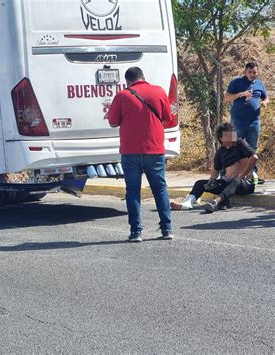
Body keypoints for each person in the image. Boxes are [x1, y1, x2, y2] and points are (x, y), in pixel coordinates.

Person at [107, 67, 174, 242]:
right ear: (144, 77)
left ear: (128, 81)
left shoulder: (122, 95)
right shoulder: (158, 91)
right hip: (155, 149)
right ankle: (167, 229)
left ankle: (136, 232)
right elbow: (168, 117)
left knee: (133, 191)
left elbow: (113, 122)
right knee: (159, 189)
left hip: (130, 151)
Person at [171, 122, 258, 213]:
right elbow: (216, 169)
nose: (231, 137)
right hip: (226, 183)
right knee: (200, 183)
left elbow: (254, 157)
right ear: (221, 138)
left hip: (244, 184)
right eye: (227, 136)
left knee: (236, 181)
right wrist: (211, 181)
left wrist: (243, 175)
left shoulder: (240, 143)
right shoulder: (220, 152)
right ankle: (187, 203)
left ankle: (216, 202)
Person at [224, 62, 269, 183]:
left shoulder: (259, 84)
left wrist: (265, 102)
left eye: (254, 72)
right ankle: (231, 174)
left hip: (254, 121)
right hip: (238, 121)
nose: (252, 74)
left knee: (252, 147)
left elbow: (266, 97)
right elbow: (227, 97)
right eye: (250, 72)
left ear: (257, 72)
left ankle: (252, 174)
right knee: (235, 147)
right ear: (245, 72)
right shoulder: (236, 82)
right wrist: (241, 94)